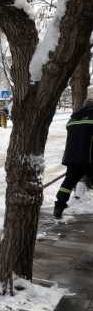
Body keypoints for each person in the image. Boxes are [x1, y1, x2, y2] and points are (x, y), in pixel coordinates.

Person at [54, 86, 93, 218]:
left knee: (69, 182)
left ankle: (59, 205)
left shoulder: (75, 117)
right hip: (89, 158)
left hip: (73, 157)